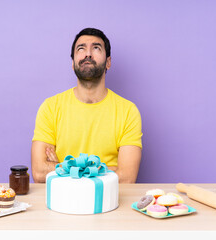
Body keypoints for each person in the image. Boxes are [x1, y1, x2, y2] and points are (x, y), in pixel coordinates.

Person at [31, 28, 142, 183]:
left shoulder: (128, 111)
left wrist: (60, 167)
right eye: (81, 48)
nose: (88, 54)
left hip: (107, 203)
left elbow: (127, 178)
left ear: (108, 62)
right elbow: (39, 172)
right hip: (61, 203)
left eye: (96, 48)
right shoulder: (50, 108)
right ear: (73, 63)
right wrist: (109, 170)